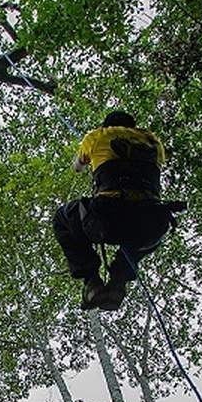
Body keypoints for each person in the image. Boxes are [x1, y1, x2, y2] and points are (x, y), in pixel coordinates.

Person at [52, 109, 182, 310]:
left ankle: (91, 281)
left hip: (107, 218)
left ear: (106, 125)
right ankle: (119, 277)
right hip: (149, 224)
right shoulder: (153, 141)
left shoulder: (98, 135)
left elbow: (77, 167)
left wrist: (88, 155)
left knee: (62, 218)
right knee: (155, 228)